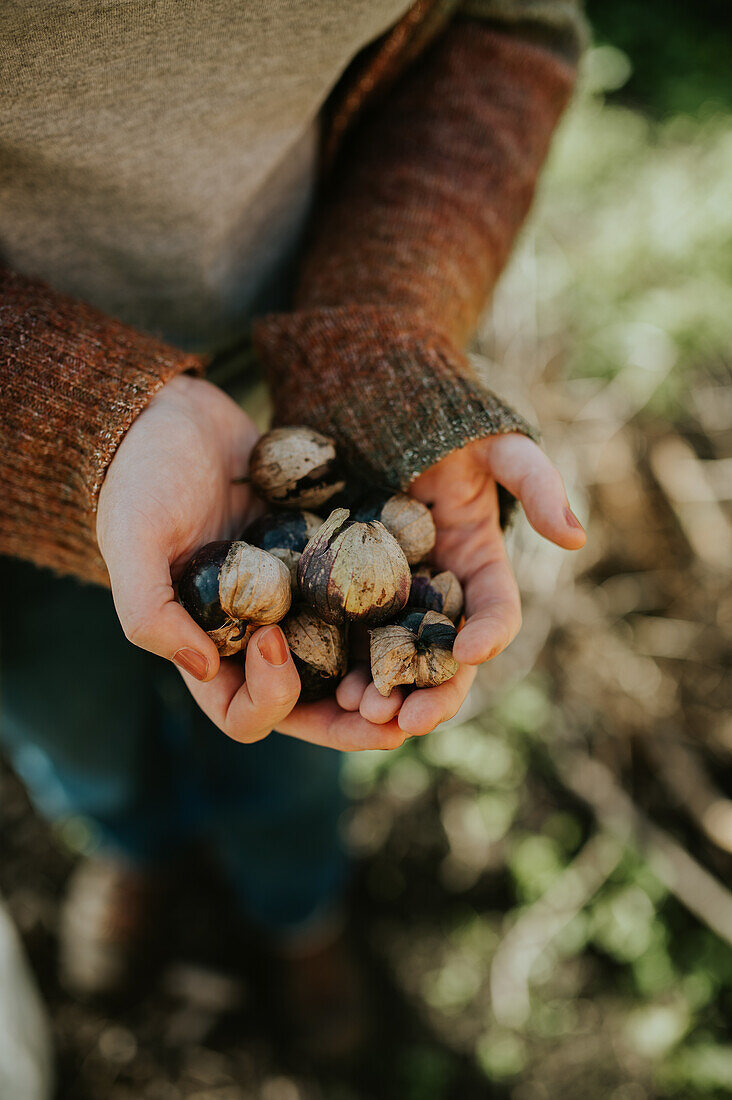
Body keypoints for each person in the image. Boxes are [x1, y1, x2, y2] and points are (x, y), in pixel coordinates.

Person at [0, 0, 587, 1058]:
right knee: (67, 715)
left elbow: (508, 30)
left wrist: (381, 318)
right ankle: (136, 849)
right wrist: (69, 411)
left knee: (293, 734)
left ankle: (295, 908)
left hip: (283, 385)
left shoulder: (334, 534)